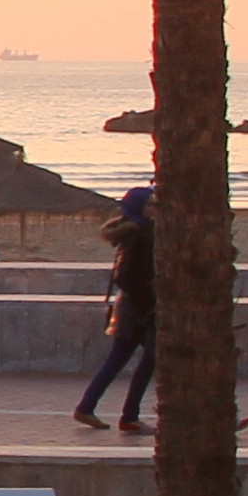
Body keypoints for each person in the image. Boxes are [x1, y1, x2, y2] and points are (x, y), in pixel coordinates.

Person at [71, 186, 156, 435]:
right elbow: (125, 276)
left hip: (138, 308)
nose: (154, 209)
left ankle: (89, 407)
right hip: (138, 310)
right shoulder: (137, 235)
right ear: (139, 207)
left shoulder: (143, 231)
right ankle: (129, 416)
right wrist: (146, 299)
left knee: (120, 359)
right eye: (150, 204)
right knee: (144, 358)